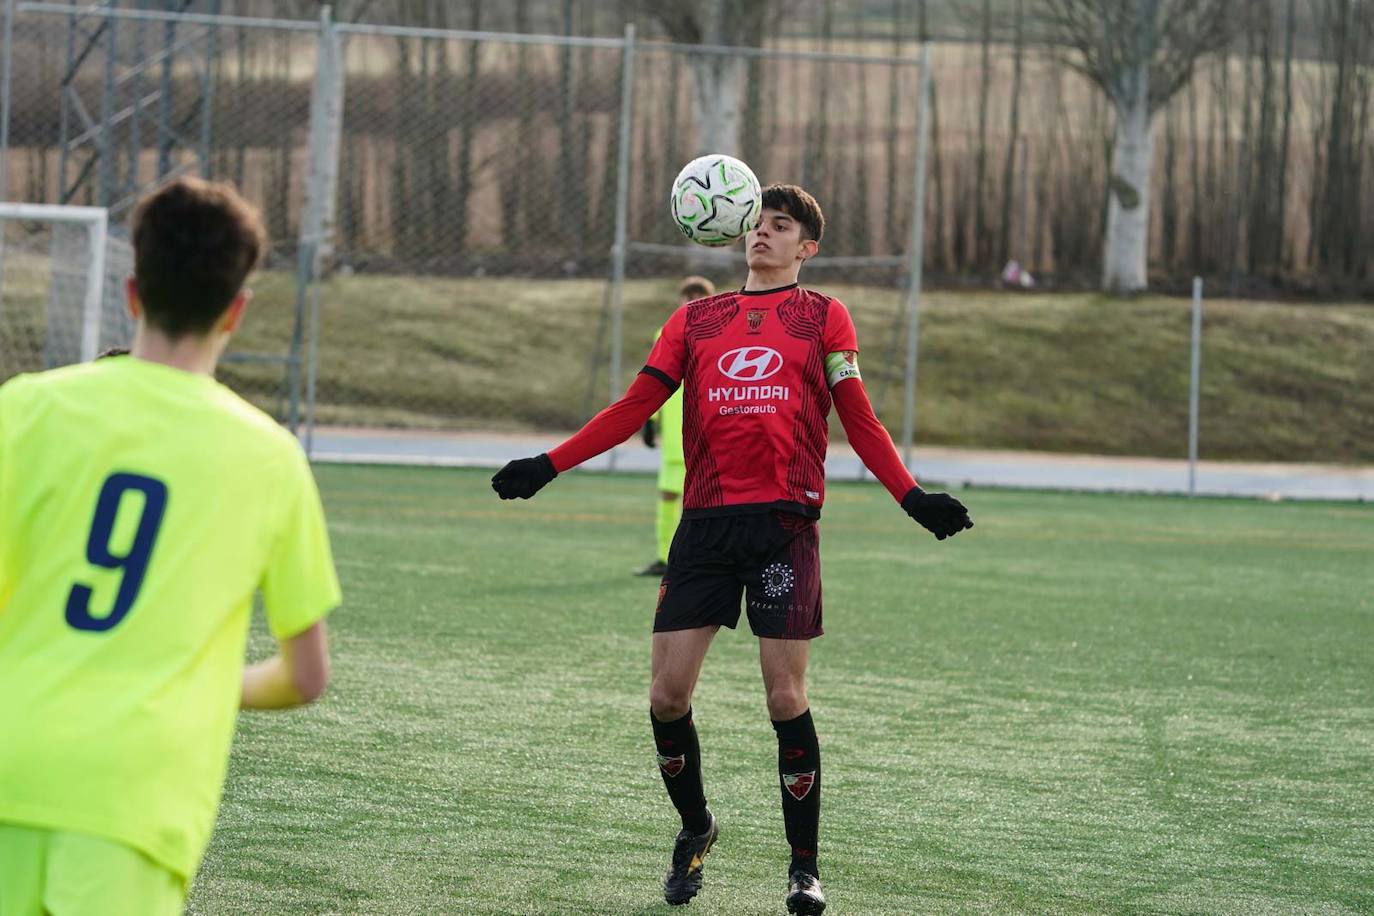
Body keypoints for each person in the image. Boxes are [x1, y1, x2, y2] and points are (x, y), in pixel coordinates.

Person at [492, 183, 972, 914]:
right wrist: (548, 465)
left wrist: (913, 497)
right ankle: (696, 827)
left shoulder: (823, 316)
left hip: (783, 525)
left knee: (785, 698)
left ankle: (803, 870)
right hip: (706, 527)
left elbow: (861, 419)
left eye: (781, 227)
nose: (763, 235)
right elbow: (632, 408)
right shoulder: (694, 319)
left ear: (806, 248)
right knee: (665, 696)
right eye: (756, 224)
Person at [0, 177, 342, 914]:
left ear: (132, 294)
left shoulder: (25, 407)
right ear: (236, 311)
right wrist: (197, 681)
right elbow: (306, 676)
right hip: (134, 800)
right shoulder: (269, 456)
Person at [637, 275, 717, 578]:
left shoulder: (721, 334)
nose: (693, 301)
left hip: (708, 429)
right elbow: (655, 380)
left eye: (700, 296)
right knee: (669, 494)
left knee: (703, 498)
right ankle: (663, 557)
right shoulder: (667, 332)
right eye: (688, 296)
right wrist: (651, 418)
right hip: (674, 431)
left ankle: (701, 560)